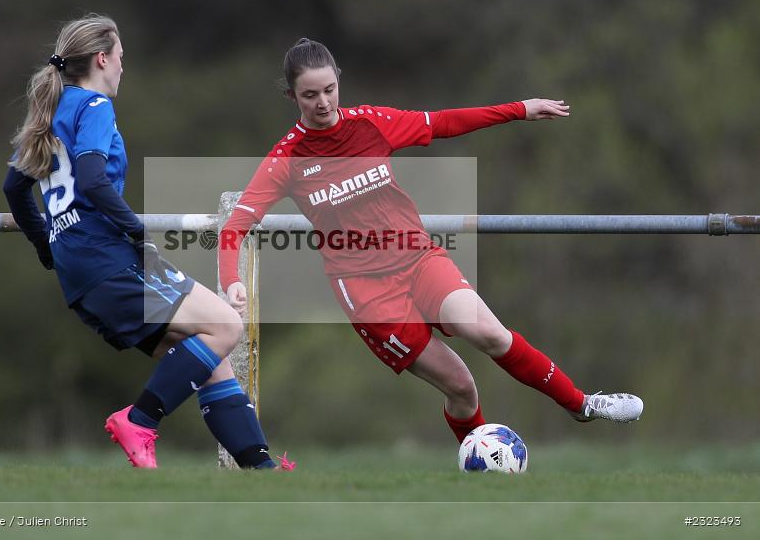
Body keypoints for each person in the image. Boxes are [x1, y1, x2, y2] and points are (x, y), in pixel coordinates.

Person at [218, 38, 643, 447]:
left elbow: (442, 122)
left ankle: (581, 404)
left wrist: (518, 110)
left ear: (339, 81)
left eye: (329, 89)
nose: (323, 102)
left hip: (417, 259)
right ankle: (482, 472)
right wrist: (231, 279)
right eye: (310, 95)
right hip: (368, 291)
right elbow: (236, 224)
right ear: (292, 96)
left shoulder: (371, 123)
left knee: (491, 334)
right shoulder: (286, 159)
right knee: (462, 388)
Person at [2, 14, 291, 470]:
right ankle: (139, 420)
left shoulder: (51, 109)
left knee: (208, 358)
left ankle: (262, 470)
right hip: (107, 257)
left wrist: (47, 246)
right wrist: (138, 233)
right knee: (225, 327)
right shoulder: (93, 106)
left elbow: (14, 189)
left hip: (81, 269)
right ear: (102, 59)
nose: (123, 66)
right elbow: (93, 181)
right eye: (120, 56)